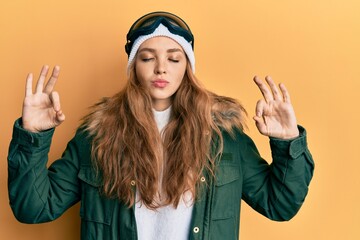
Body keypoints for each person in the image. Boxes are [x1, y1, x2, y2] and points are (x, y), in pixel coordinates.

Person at [8, 11, 314, 240]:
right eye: (147, 57)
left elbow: (279, 205)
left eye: (174, 58)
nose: (161, 68)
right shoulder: (97, 136)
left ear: (188, 67)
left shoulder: (225, 137)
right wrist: (32, 136)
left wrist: (288, 142)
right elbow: (34, 209)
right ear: (134, 67)